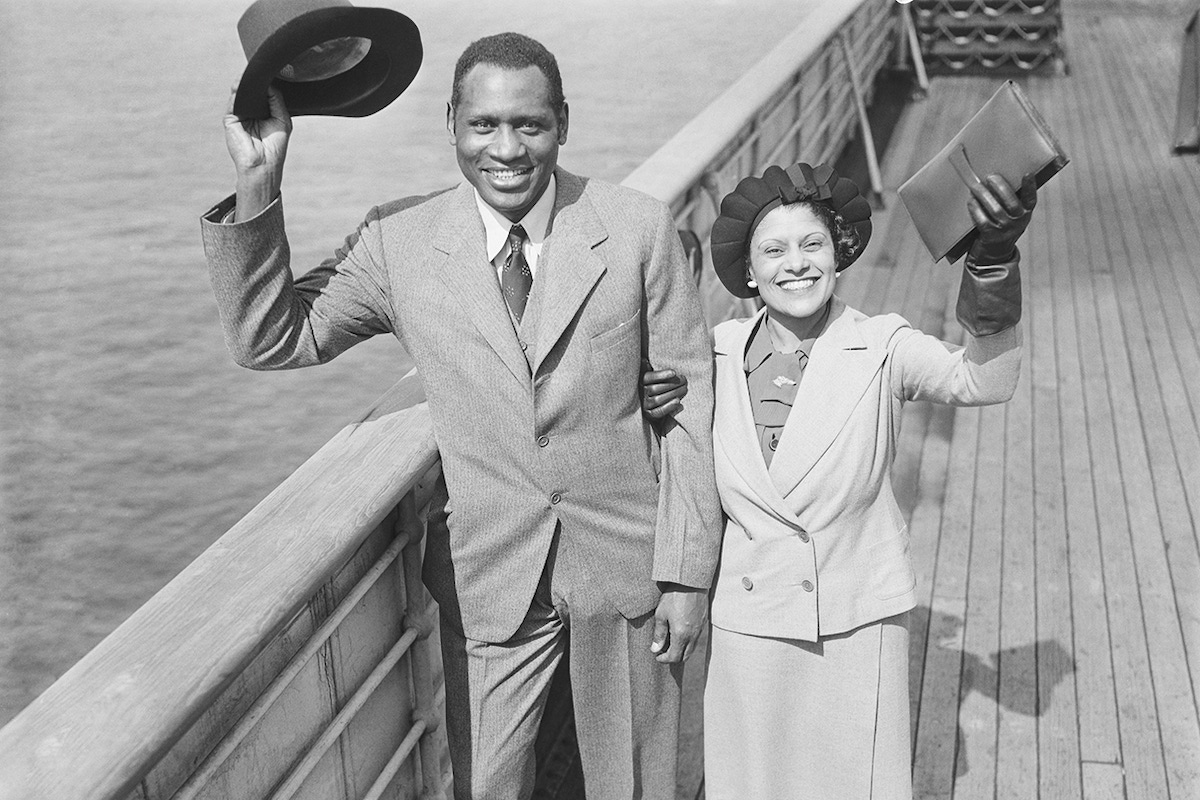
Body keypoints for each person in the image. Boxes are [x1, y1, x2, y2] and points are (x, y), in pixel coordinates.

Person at [200, 32, 721, 800]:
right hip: (490, 572)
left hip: (629, 563)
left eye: (529, 125)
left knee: (637, 782)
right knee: (489, 786)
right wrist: (258, 180)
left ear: (563, 124)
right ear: (451, 122)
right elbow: (272, 338)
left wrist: (687, 576)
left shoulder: (638, 229)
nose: (506, 149)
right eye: (483, 125)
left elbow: (688, 409)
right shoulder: (397, 241)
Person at [643, 161, 1035, 798]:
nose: (795, 263)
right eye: (773, 250)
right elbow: (667, 464)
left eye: (812, 244)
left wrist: (992, 257)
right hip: (751, 621)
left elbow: (984, 380)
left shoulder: (883, 345)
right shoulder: (707, 355)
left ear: (838, 256)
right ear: (747, 271)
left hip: (855, 621)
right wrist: (645, 399)